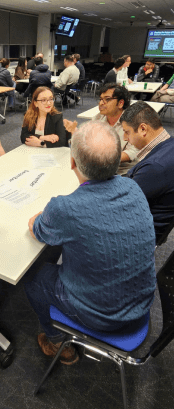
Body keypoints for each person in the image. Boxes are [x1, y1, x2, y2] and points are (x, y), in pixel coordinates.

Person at [24, 120, 155, 366]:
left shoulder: (65, 207)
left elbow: (37, 229)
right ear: (118, 160)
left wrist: (41, 218)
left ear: (72, 162)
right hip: (142, 305)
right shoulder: (133, 188)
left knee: (33, 276)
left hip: (103, 316)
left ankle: (56, 342)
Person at [120, 102, 174, 244]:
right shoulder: (169, 144)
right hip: (150, 219)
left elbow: (120, 205)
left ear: (143, 128)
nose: (125, 138)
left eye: (127, 132)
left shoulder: (155, 167)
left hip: (138, 235)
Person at [76, 83, 139, 175]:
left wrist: (105, 159)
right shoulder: (98, 118)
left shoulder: (132, 122)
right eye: (101, 99)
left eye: (107, 99)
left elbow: (133, 152)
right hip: (99, 168)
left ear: (121, 103)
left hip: (123, 172)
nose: (101, 103)